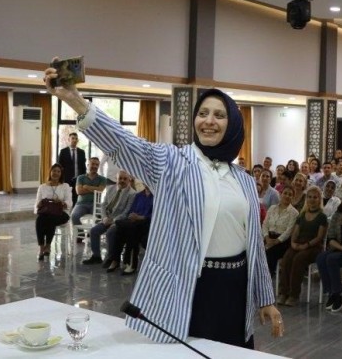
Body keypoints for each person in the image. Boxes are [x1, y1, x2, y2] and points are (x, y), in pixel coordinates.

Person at [44, 68, 282, 347]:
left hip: (235, 287)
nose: (209, 121)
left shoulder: (244, 180)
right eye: (203, 113)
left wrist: (266, 298)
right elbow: (124, 143)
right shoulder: (172, 163)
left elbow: (254, 245)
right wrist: (76, 101)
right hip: (187, 286)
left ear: (232, 125)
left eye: (219, 115)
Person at [277, 186, 328, 306]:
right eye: (309, 197)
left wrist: (307, 245)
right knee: (287, 258)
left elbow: (319, 237)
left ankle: (294, 295)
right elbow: (295, 232)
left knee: (298, 259)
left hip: (314, 247)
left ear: (319, 199)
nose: (312, 199)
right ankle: (283, 292)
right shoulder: (302, 215)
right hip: (299, 244)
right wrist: (293, 243)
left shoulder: (322, 217)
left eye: (315, 197)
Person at [82, 170, 137, 266]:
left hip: (119, 221)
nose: (122, 180)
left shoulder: (132, 193)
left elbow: (127, 211)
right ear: (116, 179)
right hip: (107, 218)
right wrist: (104, 218)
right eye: (120, 178)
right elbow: (103, 205)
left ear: (129, 180)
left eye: (125, 179)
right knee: (94, 231)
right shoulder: (111, 188)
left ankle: (110, 258)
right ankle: (96, 257)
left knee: (110, 233)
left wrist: (114, 221)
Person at [113, 182, 154, 276]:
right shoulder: (139, 195)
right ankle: (119, 260)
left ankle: (128, 263)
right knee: (121, 227)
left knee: (129, 230)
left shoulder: (156, 196)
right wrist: (132, 215)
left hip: (148, 223)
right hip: (135, 221)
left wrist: (141, 217)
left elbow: (157, 213)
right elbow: (132, 209)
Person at [33, 164, 72, 261]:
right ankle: (42, 248)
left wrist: (61, 202)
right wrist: (39, 204)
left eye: (58, 171)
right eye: (54, 171)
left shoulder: (65, 186)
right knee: (40, 219)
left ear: (61, 174)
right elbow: (36, 204)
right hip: (46, 213)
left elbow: (70, 202)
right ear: (50, 172)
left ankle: (48, 245)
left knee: (50, 218)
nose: (56, 173)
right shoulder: (42, 187)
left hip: (62, 213)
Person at [261, 187, 299, 276]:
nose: (287, 196)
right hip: (268, 237)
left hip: (282, 241)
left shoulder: (294, 213)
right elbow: (265, 224)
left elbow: (289, 231)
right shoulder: (272, 208)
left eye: (290, 195)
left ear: (293, 197)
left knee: (269, 254)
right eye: (285, 193)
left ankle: (267, 277)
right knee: (256, 250)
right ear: (281, 194)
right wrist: (266, 237)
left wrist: (275, 242)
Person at [70, 157, 107, 243]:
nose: (95, 166)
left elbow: (100, 190)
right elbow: (79, 191)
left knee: (101, 217)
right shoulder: (80, 177)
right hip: (81, 204)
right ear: (88, 165)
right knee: (74, 216)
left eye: (97, 165)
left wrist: (86, 187)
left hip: (96, 204)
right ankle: (81, 234)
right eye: (93, 164)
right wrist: (95, 189)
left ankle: (93, 232)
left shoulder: (102, 179)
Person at [58, 132, 86, 205]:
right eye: (73, 138)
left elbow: (83, 167)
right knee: (67, 197)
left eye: (76, 139)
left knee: (77, 197)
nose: (74, 140)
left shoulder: (81, 152)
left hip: (78, 179)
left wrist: (84, 179)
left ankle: (75, 209)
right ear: (69, 140)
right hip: (67, 179)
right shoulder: (63, 152)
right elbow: (60, 167)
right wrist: (60, 179)